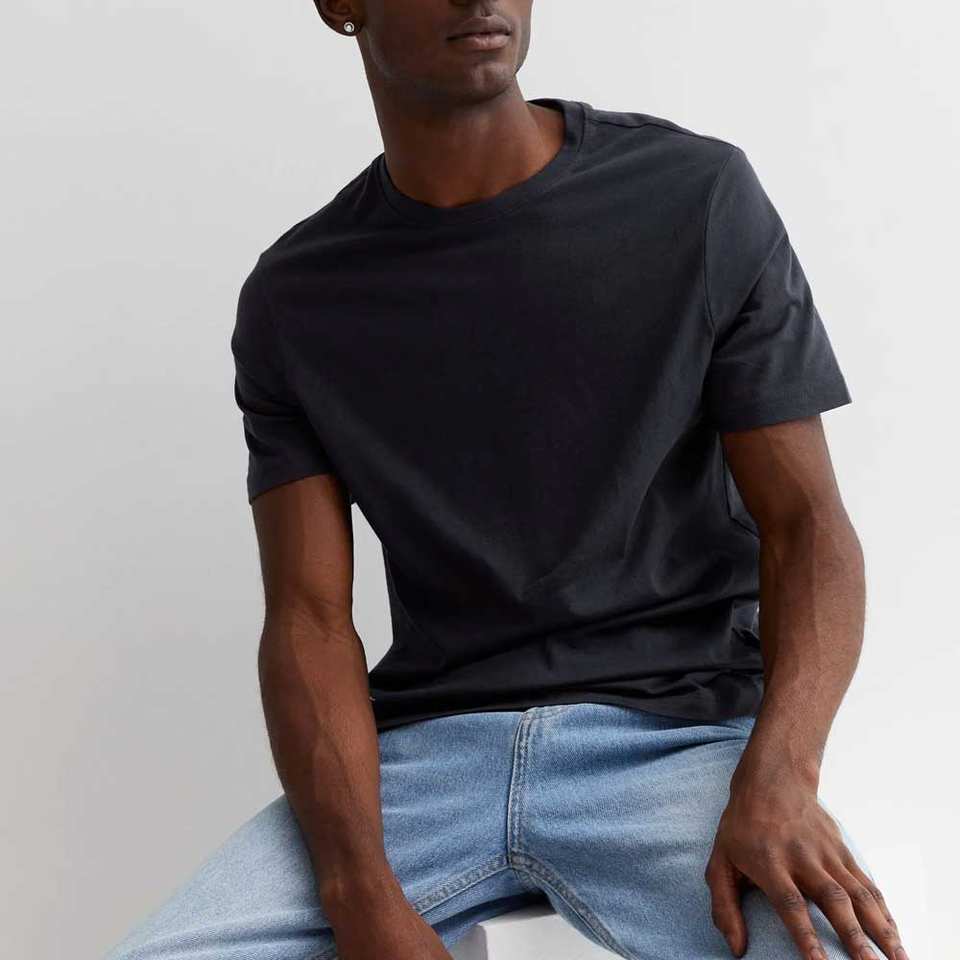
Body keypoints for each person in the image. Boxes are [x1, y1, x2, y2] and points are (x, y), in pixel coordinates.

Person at [105, 3, 910, 960]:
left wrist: (781, 776)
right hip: (424, 759)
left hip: (676, 740)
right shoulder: (295, 297)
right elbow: (309, 618)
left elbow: (807, 524)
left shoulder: (693, 196)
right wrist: (362, 894)